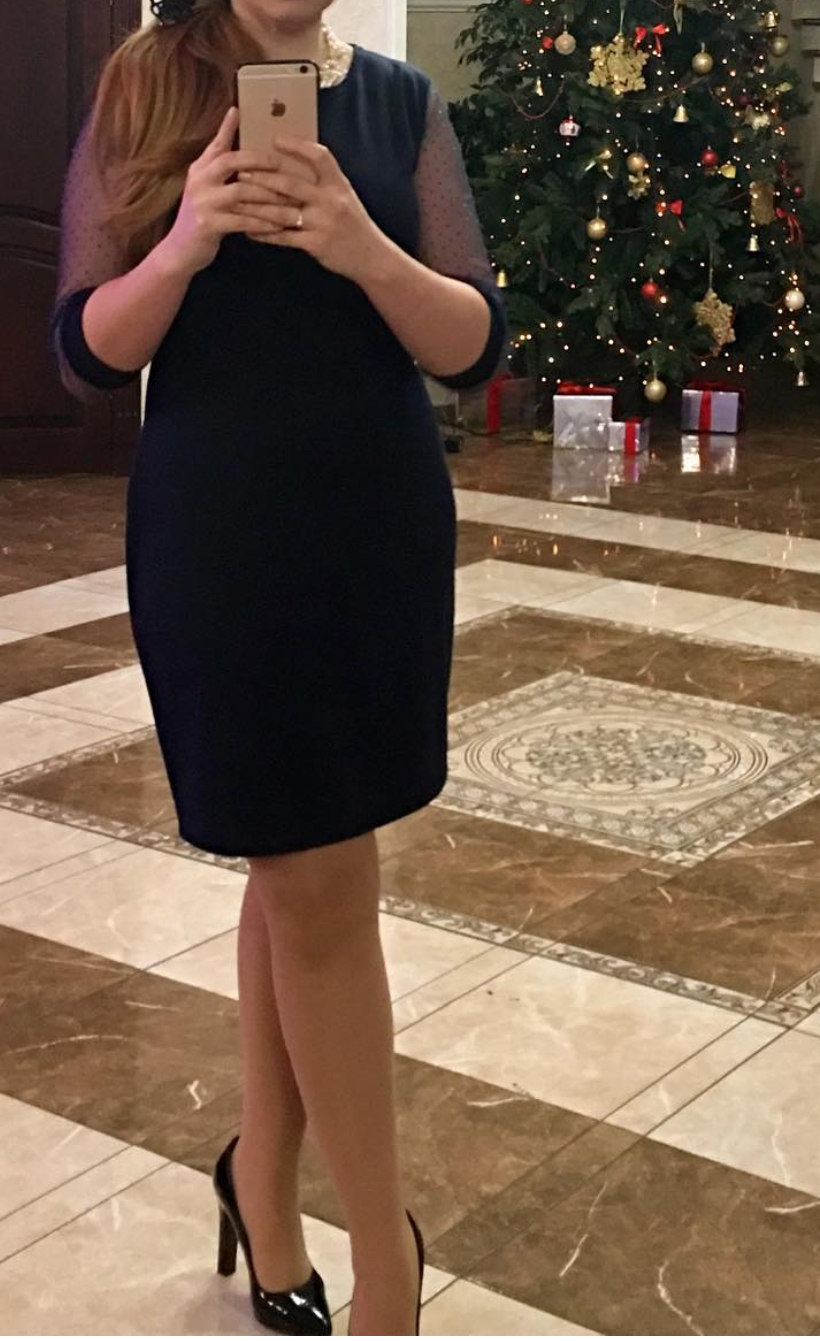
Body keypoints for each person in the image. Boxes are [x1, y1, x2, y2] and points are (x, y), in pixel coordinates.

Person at [51, 0, 506, 1334]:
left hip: (377, 527)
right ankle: (388, 1271)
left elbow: (473, 342)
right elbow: (84, 353)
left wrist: (361, 246)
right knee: (316, 883)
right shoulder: (146, 83)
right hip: (224, 538)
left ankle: (264, 1185)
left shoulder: (401, 105)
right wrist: (187, 240)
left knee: (297, 872)